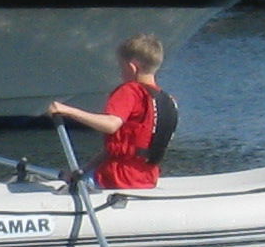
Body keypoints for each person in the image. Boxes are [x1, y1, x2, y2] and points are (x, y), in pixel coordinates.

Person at [47, 34, 174, 191]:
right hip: (147, 178)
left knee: (62, 188)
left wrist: (66, 110)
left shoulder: (130, 91)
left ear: (132, 67)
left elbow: (111, 125)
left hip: (116, 178)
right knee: (74, 177)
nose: (120, 73)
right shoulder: (167, 100)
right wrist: (83, 170)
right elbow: (115, 148)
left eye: (121, 67)